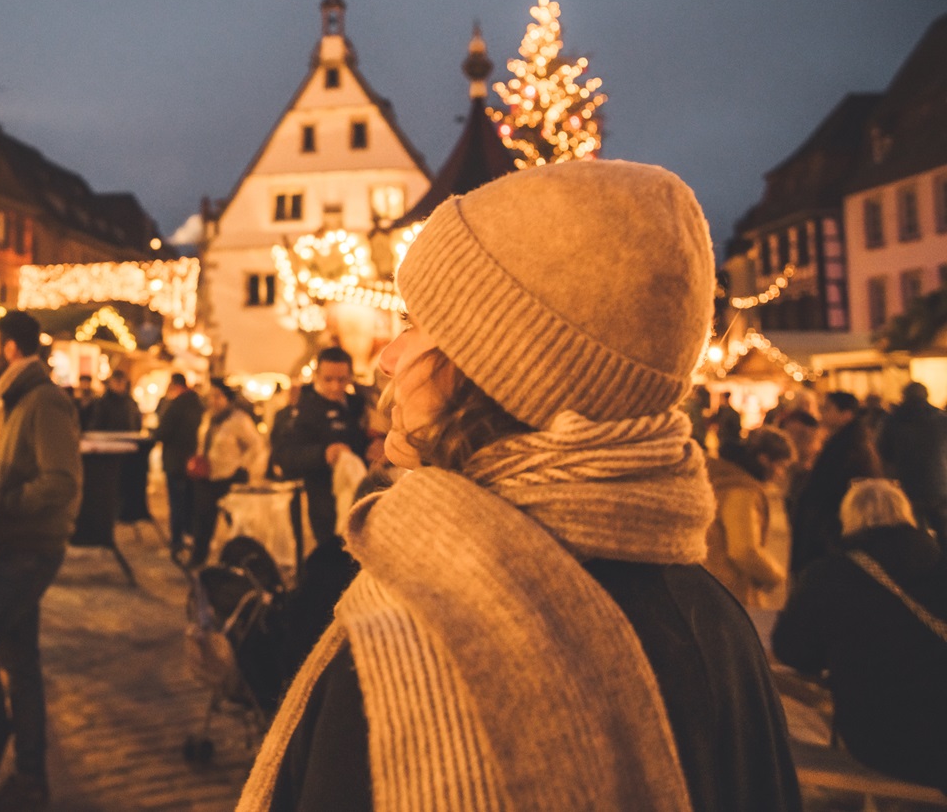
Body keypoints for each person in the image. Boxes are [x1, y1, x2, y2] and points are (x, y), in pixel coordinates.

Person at [241, 161, 799, 812]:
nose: (389, 358)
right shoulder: (713, 615)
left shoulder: (420, 653)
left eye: (418, 324)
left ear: (499, 369)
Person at [0, 310, 81, 810]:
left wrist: (7, 501)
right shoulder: (15, 398)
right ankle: (31, 778)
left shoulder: (42, 399)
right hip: (12, 546)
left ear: (8, 347)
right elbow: (28, 459)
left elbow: (60, 480)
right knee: (21, 663)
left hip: (28, 548)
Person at [773, 479, 947, 792]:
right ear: (907, 515)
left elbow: (791, 650)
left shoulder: (827, 574)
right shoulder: (939, 563)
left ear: (848, 519)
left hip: (883, 738)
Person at [269, 347, 369, 550]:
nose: (335, 386)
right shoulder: (301, 410)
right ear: (316, 376)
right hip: (322, 505)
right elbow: (284, 456)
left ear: (350, 377)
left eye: (342, 380)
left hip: (361, 499)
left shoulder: (359, 405)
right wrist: (323, 454)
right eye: (328, 379)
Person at [703, 426, 796, 609]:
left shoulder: (726, 477)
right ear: (764, 459)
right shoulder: (741, 490)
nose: (780, 474)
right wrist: (775, 576)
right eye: (780, 466)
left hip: (712, 582)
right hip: (729, 590)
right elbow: (743, 550)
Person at [792, 390, 882, 574]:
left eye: (827, 409)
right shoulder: (845, 440)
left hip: (834, 528)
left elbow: (832, 486)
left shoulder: (850, 446)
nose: (821, 413)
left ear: (845, 414)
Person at [189, 380, 265, 567]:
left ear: (228, 399)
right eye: (211, 396)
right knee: (204, 520)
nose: (213, 401)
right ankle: (198, 559)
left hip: (230, 478)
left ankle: (246, 562)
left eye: (218, 396)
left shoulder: (238, 419)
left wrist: (242, 466)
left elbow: (257, 446)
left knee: (237, 523)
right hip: (208, 477)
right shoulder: (208, 418)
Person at [879, 381, 947, 544]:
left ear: (904, 396)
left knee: (916, 533)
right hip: (939, 485)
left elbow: (884, 452)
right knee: (943, 529)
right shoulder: (941, 419)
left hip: (906, 485)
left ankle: (924, 562)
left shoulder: (891, 421)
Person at [151, 373, 203, 557]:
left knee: (177, 503)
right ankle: (190, 535)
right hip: (193, 462)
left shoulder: (176, 405)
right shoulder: (198, 404)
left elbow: (163, 431)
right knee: (190, 501)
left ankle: (176, 541)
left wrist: (154, 432)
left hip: (175, 461)